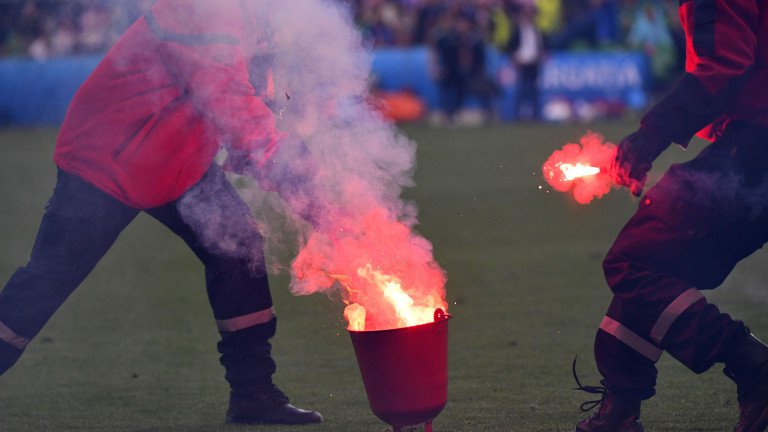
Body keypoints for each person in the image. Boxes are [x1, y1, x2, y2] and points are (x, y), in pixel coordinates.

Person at [0, 0, 323, 426]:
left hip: (178, 160)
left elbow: (250, 106)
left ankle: (254, 395)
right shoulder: (203, 9)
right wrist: (311, 195)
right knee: (49, 278)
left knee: (238, 247)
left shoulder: (250, 18)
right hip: (108, 160)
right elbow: (234, 106)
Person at [570, 1, 768, 431]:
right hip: (755, 142)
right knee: (651, 260)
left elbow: (725, 66)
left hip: (758, 146)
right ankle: (621, 407)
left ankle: (752, 363)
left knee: (632, 262)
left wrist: (648, 138)